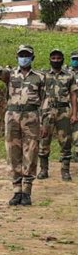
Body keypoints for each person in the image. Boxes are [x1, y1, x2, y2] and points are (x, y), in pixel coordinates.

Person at [0, 45, 46, 206]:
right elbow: (1, 73)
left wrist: (45, 122)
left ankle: (27, 191)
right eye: (21, 55)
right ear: (17, 57)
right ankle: (16, 190)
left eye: (27, 55)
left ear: (32, 58)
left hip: (32, 116)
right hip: (12, 116)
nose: (24, 58)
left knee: (31, 151)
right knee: (13, 152)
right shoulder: (10, 74)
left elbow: (45, 100)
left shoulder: (40, 77)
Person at [38, 48, 76, 182]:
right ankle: (43, 170)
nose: (56, 60)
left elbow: (73, 95)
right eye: (53, 58)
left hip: (64, 111)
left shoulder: (69, 76)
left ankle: (65, 171)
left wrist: (74, 113)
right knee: (44, 140)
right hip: (47, 111)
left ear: (63, 60)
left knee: (66, 141)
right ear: (50, 60)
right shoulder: (43, 75)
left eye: (58, 58)